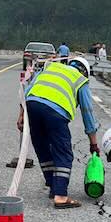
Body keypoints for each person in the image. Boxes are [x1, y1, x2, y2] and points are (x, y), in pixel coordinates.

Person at [19, 56, 99, 208]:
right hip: (55, 111)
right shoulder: (80, 80)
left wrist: (21, 115)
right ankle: (61, 196)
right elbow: (87, 113)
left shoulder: (51, 67)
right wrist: (93, 144)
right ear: (85, 72)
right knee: (63, 153)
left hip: (32, 106)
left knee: (43, 148)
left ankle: (53, 187)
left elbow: (28, 91)